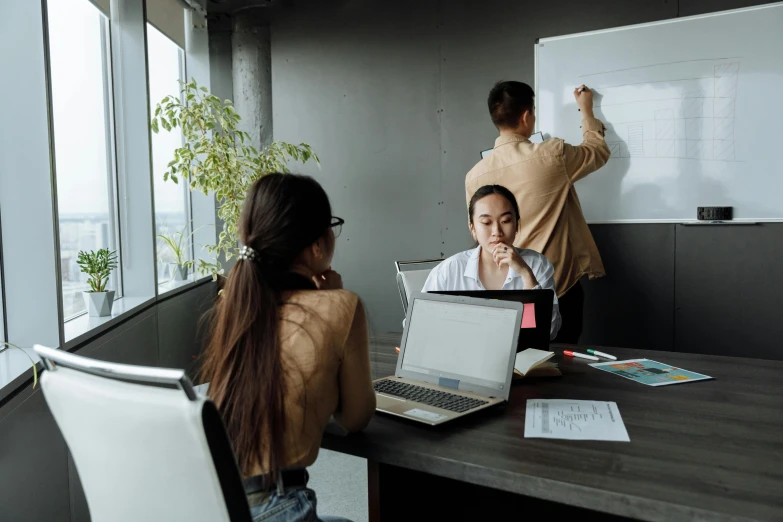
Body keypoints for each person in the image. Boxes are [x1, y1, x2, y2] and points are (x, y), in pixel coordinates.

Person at [200, 173, 375, 522]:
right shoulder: (342, 306)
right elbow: (354, 418)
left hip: (213, 502)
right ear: (316, 244)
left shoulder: (237, 303)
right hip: (277, 507)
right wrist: (331, 300)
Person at [465, 81, 610, 344]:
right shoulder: (552, 154)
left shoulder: (475, 175)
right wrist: (587, 111)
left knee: (510, 357)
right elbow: (597, 152)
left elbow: (478, 234)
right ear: (526, 116)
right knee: (557, 361)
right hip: (557, 286)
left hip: (502, 288)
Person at [422, 184, 561, 340]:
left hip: (520, 359)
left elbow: (549, 331)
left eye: (506, 220)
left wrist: (525, 273)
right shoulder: (450, 270)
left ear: (516, 225)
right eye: (486, 223)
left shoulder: (536, 265)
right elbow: (418, 325)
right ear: (472, 228)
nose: (497, 232)